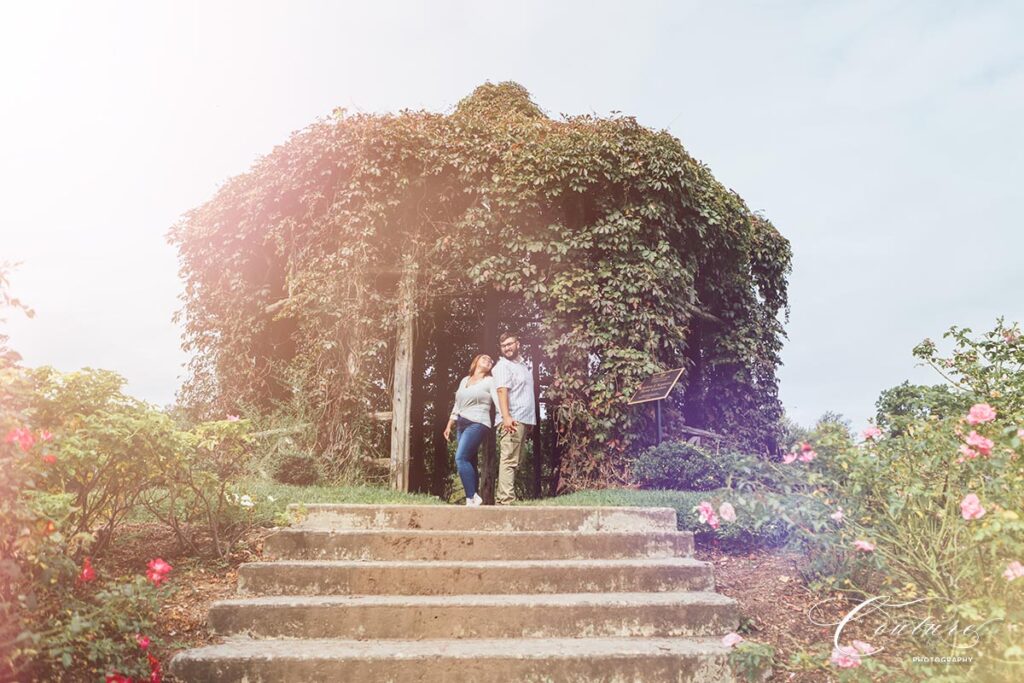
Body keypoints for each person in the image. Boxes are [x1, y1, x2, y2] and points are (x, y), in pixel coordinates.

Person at [443, 353, 497, 506]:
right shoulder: (464, 381)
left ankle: (470, 497)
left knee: (460, 458)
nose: (488, 360)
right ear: (476, 361)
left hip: (478, 422)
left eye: (490, 360)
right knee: (470, 461)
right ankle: (474, 496)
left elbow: (498, 399)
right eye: (484, 358)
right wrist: (449, 424)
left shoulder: (489, 381)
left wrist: (504, 419)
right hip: (461, 423)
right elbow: (457, 404)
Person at [492, 332, 536, 505]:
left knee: (515, 461)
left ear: (518, 344)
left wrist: (529, 421)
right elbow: (502, 391)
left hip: (522, 419)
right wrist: (506, 417)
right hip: (512, 419)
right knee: (509, 459)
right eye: (503, 346)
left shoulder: (523, 366)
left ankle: (505, 498)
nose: (507, 348)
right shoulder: (503, 366)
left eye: (510, 344)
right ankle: (505, 500)